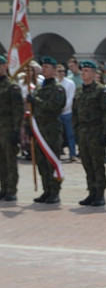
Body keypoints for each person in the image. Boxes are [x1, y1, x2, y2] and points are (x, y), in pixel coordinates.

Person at [72, 60, 106, 207]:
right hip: (83, 132)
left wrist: (104, 135)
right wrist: (75, 131)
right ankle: (91, 192)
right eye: (82, 70)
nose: (83, 73)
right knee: (87, 164)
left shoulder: (101, 90)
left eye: (87, 70)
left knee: (97, 164)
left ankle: (100, 194)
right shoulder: (79, 90)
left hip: (96, 131)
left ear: (94, 73)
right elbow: (74, 112)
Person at [28, 55, 66, 204]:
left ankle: (55, 192)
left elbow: (54, 107)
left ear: (55, 70)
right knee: (41, 161)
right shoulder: (38, 88)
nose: (43, 68)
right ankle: (46, 190)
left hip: (51, 129)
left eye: (47, 67)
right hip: (39, 129)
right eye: (42, 66)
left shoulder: (58, 88)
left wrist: (35, 101)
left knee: (52, 160)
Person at [0, 55, 23, 202]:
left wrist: (16, 130)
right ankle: (3, 187)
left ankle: (11, 190)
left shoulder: (12, 86)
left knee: (10, 160)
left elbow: (18, 110)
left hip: (8, 127)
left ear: (5, 66)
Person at [55, 62, 76, 162]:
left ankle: (72, 154)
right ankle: (57, 153)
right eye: (60, 71)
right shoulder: (54, 83)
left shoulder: (70, 83)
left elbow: (70, 98)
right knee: (57, 135)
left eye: (64, 71)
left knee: (70, 134)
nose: (62, 73)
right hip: (56, 113)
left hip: (67, 112)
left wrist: (62, 108)